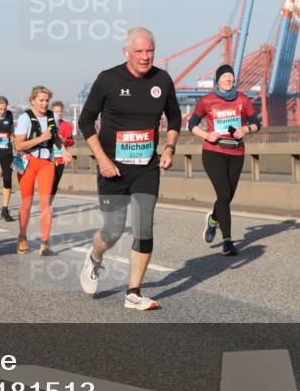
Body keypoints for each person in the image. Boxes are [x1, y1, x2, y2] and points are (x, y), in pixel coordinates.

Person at [77, 27, 181, 311]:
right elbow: (85, 122)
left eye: (150, 51)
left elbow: (174, 117)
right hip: (113, 168)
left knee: (144, 226)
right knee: (112, 231)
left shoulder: (162, 79)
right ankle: (95, 258)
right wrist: (102, 159)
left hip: (146, 167)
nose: (145, 57)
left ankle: (133, 292)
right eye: (139, 52)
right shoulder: (108, 80)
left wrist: (170, 148)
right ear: (127, 52)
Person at [188, 64, 261, 256]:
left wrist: (245, 129)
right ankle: (227, 242)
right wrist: (205, 135)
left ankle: (213, 220)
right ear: (218, 80)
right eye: (225, 76)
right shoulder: (207, 100)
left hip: (236, 153)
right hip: (213, 152)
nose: (229, 79)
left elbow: (256, 124)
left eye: (231, 76)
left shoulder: (243, 100)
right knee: (224, 196)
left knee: (226, 196)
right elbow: (191, 124)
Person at [14, 86, 70, 256]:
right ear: (33, 101)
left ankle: (44, 243)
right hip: (27, 161)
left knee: (46, 204)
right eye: (41, 100)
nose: (45, 104)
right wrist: (40, 138)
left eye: (47, 100)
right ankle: (22, 237)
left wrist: (64, 151)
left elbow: (55, 139)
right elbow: (18, 145)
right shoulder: (25, 118)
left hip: (47, 163)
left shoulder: (52, 117)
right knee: (27, 203)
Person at [49, 100, 76, 208]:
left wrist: (64, 140)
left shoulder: (67, 125)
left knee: (55, 182)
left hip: (60, 157)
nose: (58, 114)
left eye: (60, 112)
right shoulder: (48, 124)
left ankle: (49, 203)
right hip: (48, 158)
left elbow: (71, 141)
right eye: (56, 112)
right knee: (48, 181)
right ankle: (45, 204)